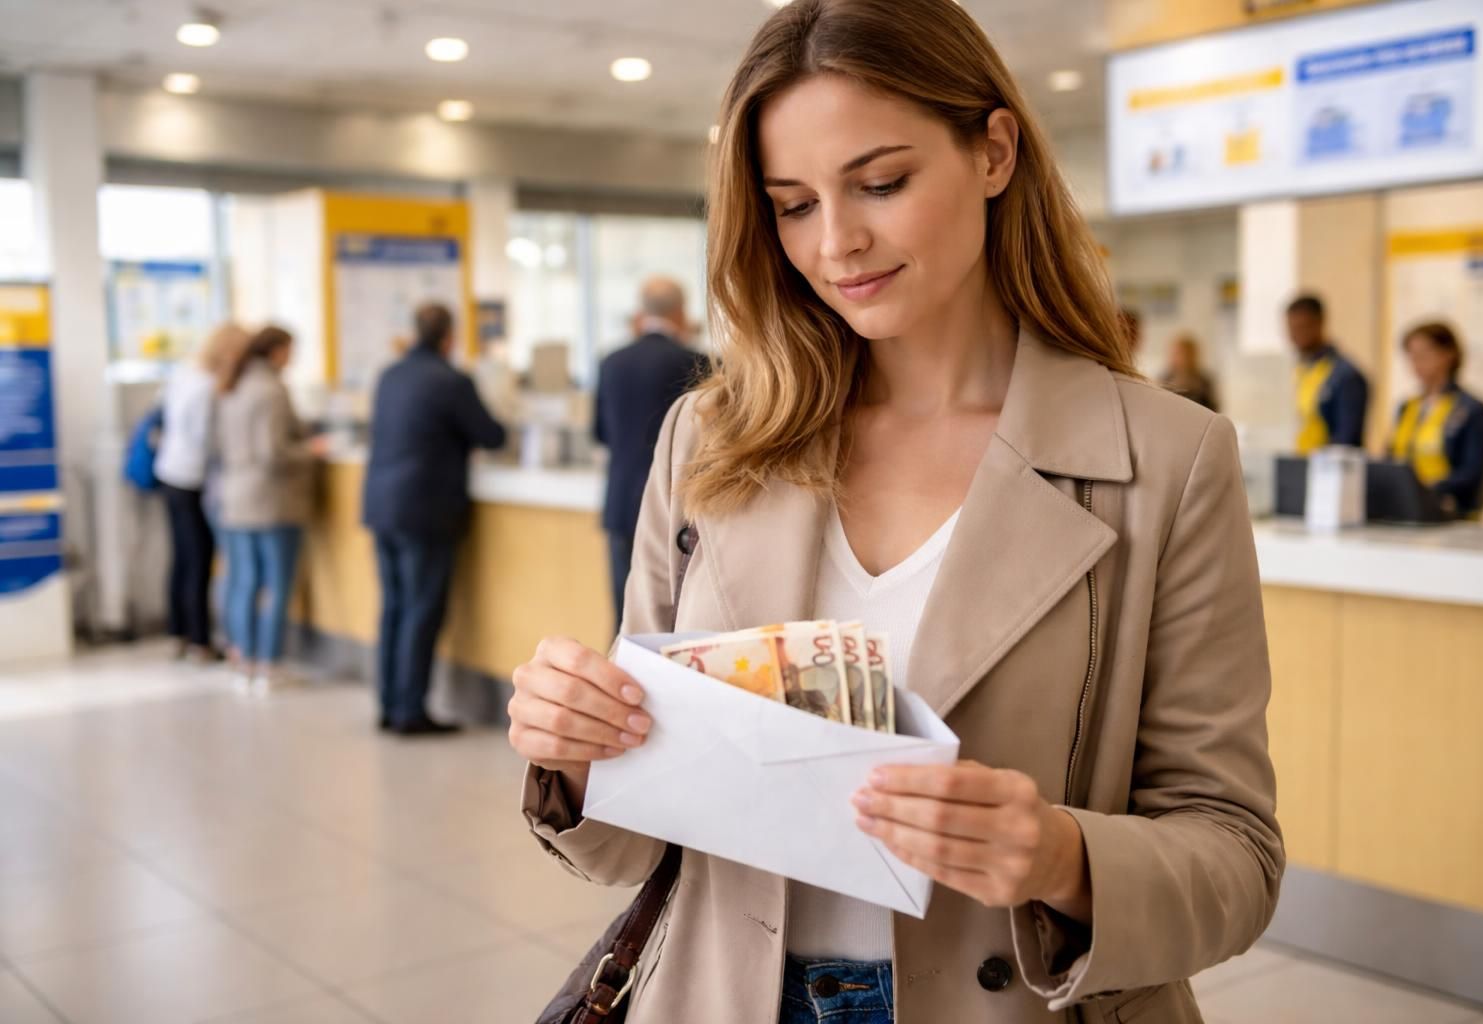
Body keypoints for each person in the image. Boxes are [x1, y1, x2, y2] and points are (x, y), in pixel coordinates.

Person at [507, 2, 1282, 1023]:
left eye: (881, 183)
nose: (838, 243)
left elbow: (1235, 855)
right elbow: (634, 843)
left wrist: (1062, 855)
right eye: (791, 204)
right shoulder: (711, 437)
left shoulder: (1168, 459)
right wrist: (575, 751)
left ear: (995, 150)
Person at [363, 303, 507, 735]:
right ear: (449, 337)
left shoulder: (389, 375)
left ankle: (390, 704)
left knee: (393, 607)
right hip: (425, 508)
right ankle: (411, 711)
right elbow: (492, 434)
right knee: (421, 609)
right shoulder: (451, 381)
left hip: (381, 505)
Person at [593, 276, 709, 628]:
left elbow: (599, 432)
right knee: (676, 614)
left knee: (625, 612)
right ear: (680, 312)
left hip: (622, 500)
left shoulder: (611, 362)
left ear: (642, 312)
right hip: (679, 507)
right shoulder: (697, 361)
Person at [215, 325, 315, 696]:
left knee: (242, 581)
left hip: (235, 499)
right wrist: (312, 451)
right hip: (271, 502)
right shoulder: (272, 390)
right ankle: (269, 665)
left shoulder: (232, 385)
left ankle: (243, 660)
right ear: (276, 352)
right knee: (277, 585)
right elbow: (273, 453)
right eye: (290, 351)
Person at [155, 323, 247, 662]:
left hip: (169, 471)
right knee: (199, 558)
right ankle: (200, 641)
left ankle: (179, 633)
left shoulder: (184, 374)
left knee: (181, 557)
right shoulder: (210, 386)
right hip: (193, 477)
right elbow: (207, 438)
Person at [1388, 321, 1483, 518]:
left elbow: (1471, 473)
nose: (1416, 364)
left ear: (1448, 354)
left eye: (1423, 355)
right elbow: (1392, 455)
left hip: (1449, 510)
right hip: (1404, 508)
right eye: (1411, 357)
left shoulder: (1472, 410)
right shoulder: (1407, 407)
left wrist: (1426, 488)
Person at [1286, 293, 1368, 453]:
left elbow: (1346, 439)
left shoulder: (1345, 375)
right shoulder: (1299, 370)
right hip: (1297, 461)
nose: (1296, 335)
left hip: (1327, 468)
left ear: (1320, 323)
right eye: (1292, 328)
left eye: (1303, 327)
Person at [1160, 332, 1219, 412]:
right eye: (1175, 353)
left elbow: (1214, 408)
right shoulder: (1165, 379)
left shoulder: (1204, 381)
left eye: (1181, 353)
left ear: (1192, 355)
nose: (1177, 357)